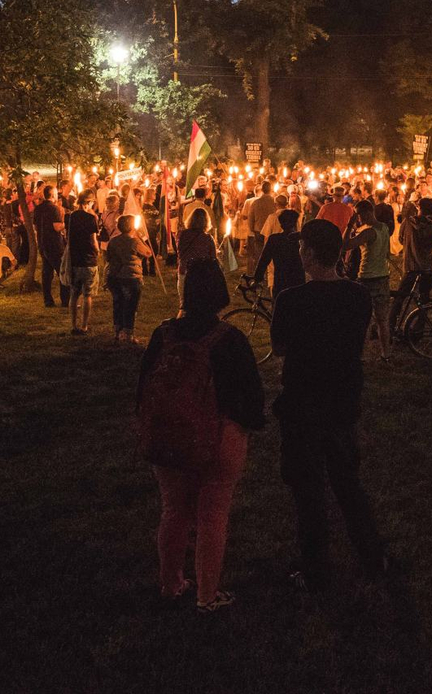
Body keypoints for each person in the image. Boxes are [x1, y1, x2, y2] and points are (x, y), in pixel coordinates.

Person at [137, 259, 266, 613]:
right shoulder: (231, 340)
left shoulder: (162, 335)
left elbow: (144, 386)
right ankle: (207, 596)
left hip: (169, 437)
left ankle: (171, 583)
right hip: (220, 437)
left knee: (174, 509)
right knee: (213, 513)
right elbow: (253, 398)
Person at [270, 219, 390, 591]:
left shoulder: (290, 300)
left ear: (308, 253)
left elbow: (279, 349)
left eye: (302, 246)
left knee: (308, 491)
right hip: (341, 400)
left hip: (303, 403)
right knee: (347, 483)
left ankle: (315, 567)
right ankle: (372, 557)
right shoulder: (358, 297)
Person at [341, 201, 392, 359]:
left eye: (358, 214)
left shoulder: (368, 232)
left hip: (367, 278)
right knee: (382, 320)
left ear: (366, 213)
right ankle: (386, 354)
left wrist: (349, 226)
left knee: (363, 319)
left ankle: (360, 355)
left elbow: (345, 245)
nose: (358, 218)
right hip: (383, 276)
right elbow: (387, 252)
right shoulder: (384, 227)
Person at [389, 197, 432, 332]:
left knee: (400, 297)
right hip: (427, 267)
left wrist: (410, 244)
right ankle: (419, 328)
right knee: (424, 300)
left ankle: (390, 326)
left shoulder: (407, 223)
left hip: (411, 266)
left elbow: (400, 239)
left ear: (419, 208)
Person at [105, 214, 154, 343]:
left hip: (114, 277)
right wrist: (139, 237)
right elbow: (148, 252)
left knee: (118, 303)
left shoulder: (113, 241)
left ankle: (117, 330)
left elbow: (108, 258)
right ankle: (128, 333)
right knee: (131, 305)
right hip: (131, 277)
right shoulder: (134, 241)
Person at [65, 189, 100, 335]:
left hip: (74, 258)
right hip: (88, 259)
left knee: (74, 294)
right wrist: (98, 251)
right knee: (87, 294)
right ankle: (84, 325)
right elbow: (93, 240)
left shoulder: (70, 217)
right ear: (89, 202)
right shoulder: (91, 218)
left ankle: (74, 325)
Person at [253, 208, 304, 298]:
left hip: (281, 281)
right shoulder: (300, 240)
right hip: (298, 282)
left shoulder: (274, 239)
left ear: (281, 224)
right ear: (295, 223)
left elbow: (264, 260)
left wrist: (257, 278)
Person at [35, 185, 69, 308]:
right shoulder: (54, 209)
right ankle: (65, 300)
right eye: (55, 193)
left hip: (42, 243)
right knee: (62, 271)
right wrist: (65, 223)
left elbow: (36, 226)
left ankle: (48, 300)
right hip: (54, 244)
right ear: (52, 194)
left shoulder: (38, 209)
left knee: (47, 273)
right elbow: (57, 227)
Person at [177, 207, 218, 305]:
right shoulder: (208, 238)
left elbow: (180, 250)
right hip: (200, 275)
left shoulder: (182, 235)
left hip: (184, 271)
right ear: (206, 222)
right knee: (200, 305)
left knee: (184, 305)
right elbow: (213, 259)